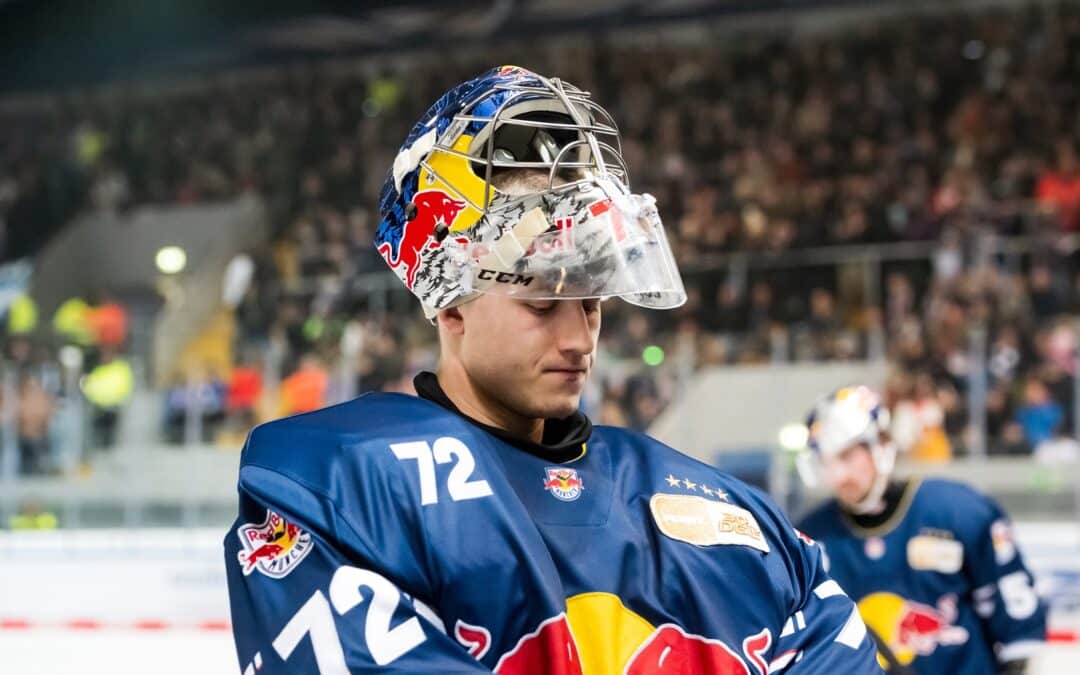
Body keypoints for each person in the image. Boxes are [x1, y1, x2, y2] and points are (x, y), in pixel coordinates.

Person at [225, 66, 882, 674]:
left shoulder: (733, 512)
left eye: (593, 299)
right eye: (542, 300)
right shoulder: (333, 487)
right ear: (450, 303)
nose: (579, 338)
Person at [795, 386, 1046, 674]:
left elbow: (1019, 628)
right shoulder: (811, 539)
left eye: (848, 456)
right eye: (826, 462)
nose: (839, 476)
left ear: (882, 444)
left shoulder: (958, 512)